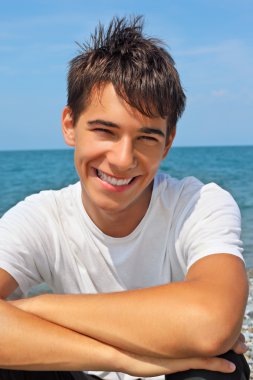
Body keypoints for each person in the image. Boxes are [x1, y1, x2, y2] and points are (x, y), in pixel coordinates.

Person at [0, 16, 250, 380]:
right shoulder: (41, 218)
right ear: (70, 124)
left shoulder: (198, 204)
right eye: (105, 130)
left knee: (215, 369)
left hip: (170, 375)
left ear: (168, 141)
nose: (122, 159)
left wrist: (36, 306)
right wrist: (122, 360)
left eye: (147, 137)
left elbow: (212, 322)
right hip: (79, 372)